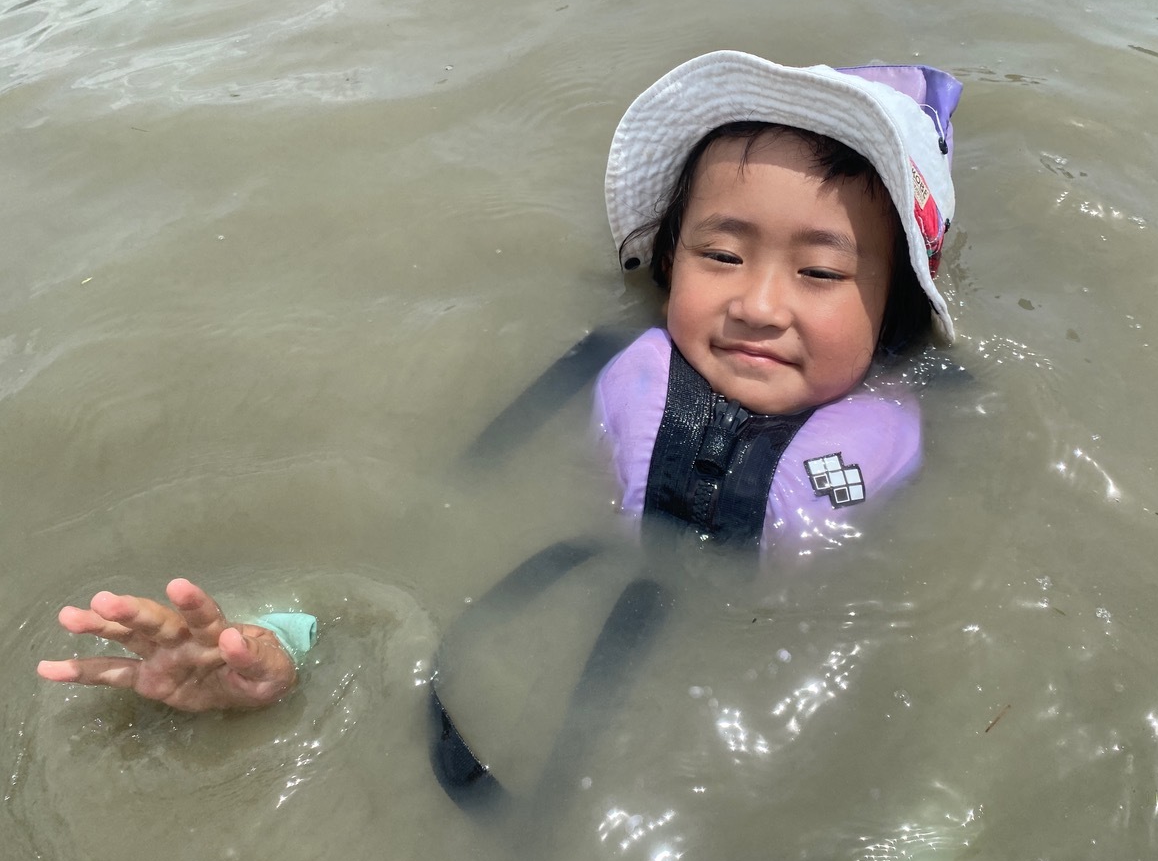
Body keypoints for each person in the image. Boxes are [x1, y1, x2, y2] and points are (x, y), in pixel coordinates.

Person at [37, 50, 961, 716]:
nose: (758, 304)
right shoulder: (613, 378)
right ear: (668, 259)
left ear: (896, 314)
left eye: (822, 272)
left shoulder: (895, 440)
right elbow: (421, 554)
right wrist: (286, 644)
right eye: (721, 253)